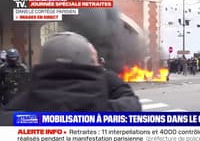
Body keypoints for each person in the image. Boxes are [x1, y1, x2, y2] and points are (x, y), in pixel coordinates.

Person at [5, 32, 142, 111]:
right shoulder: (112, 112)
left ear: (43, 66)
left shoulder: (12, 120)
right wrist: (104, 74)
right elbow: (131, 102)